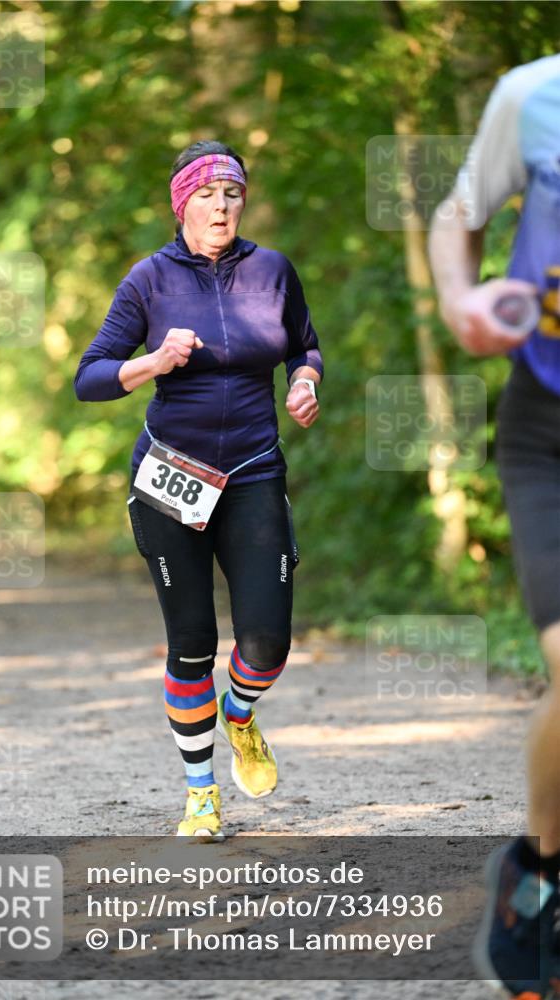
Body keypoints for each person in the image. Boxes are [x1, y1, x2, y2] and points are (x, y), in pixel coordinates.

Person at [74, 140, 323, 841]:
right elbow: (89, 377)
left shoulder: (272, 271)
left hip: (250, 472)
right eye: (209, 194)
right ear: (183, 201)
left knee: (267, 641)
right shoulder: (148, 280)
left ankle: (240, 715)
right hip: (169, 479)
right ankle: (201, 795)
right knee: (189, 642)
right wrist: (152, 361)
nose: (222, 205)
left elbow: (305, 344)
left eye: (233, 193)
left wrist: (305, 380)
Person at [429, 54, 560, 1000]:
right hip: (547, 429)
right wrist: (459, 300)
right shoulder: (534, 95)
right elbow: (456, 216)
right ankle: (545, 880)